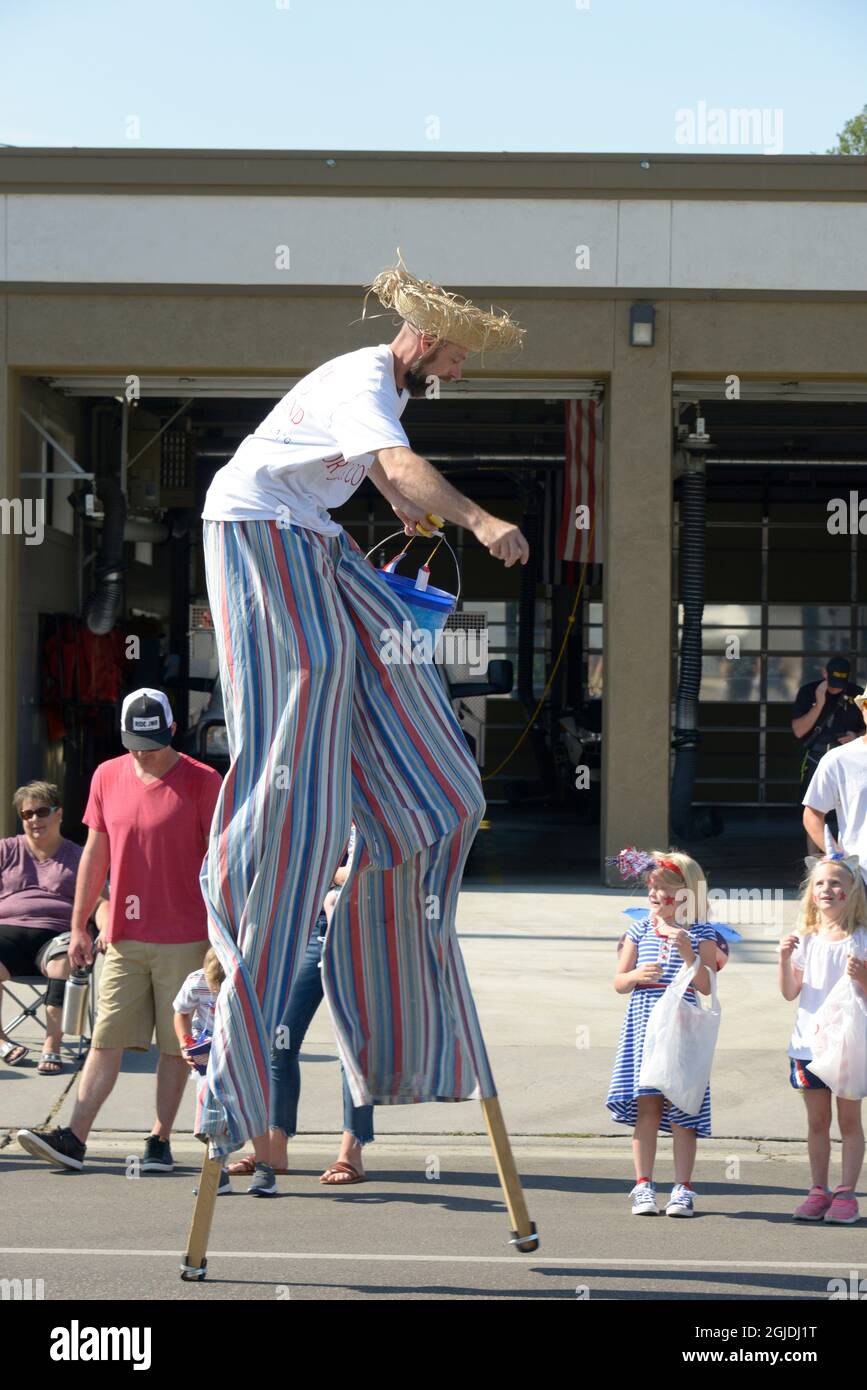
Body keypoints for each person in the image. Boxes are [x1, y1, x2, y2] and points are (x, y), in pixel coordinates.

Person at [196, 257, 529, 1158]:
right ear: (421, 338)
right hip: (258, 530)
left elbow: (375, 468)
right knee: (303, 697)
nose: (458, 372)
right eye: (457, 356)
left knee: (381, 651)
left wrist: (395, 505)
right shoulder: (361, 377)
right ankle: (251, 899)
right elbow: (393, 458)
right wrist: (475, 521)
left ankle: (400, 796)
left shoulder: (388, 390)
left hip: (312, 536)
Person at [17, 689, 221, 1172]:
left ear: (173, 731)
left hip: (188, 937)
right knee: (105, 1038)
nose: (141, 752)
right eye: (133, 742)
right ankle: (74, 1137)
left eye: (151, 743)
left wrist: (222, 934)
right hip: (126, 936)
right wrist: (80, 924)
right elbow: (95, 853)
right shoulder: (107, 776)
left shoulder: (204, 781)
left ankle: (160, 1140)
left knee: (176, 1047)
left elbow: (224, 861)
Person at [230, 825, 375, 1196]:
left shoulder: (377, 798)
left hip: (362, 932)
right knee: (280, 1039)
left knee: (352, 1051)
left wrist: (321, 870)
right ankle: (275, 1149)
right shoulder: (323, 802)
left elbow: (375, 863)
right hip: (313, 931)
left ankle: (352, 1153)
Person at [606, 850, 718, 1217]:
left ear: (687, 895)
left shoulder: (702, 933)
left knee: (683, 1108)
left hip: (682, 1027)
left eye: (665, 891)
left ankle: (683, 1188)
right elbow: (619, 981)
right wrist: (635, 976)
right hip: (644, 1025)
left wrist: (689, 953)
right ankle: (643, 1185)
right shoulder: (638, 929)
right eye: (651, 890)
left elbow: (704, 985)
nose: (655, 897)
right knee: (647, 1107)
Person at [779, 852, 867, 1224]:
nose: (827, 889)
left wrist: (863, 975)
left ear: (853, 892)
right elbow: (789, 992)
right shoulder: (806, 939)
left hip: (847, 1043)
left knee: (849, 1121)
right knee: (817, 1122)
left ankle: (847, 1192)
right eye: (820, 883)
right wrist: (784, 960)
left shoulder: (861, 939)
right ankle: (818, 1189)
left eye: (835, 883)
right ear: (811, 894)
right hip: (808, 1043)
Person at [0, 782, 108, 1073]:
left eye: (42, 811)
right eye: (27, 814)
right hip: (6, 934)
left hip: (56, 935)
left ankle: (52, 1044)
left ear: (59, 813)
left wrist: (107, 928)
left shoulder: (77, 856)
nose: (34, 819)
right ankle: (1, 1041)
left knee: (63, 964)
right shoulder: (6, 850)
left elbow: (101, 902)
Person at [174, 946, 229, 1195]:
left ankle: (264, 1167)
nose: (215, 993)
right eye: (213, 989)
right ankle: (218, 1173)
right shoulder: (196, 981)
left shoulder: (241, 981)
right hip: (206, 1051)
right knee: (208, 1108)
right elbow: (181, 1012)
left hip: (234, 1048)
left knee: (234, 1111)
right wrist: (186, 1043)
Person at [802, 680, 867, 880]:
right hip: (860, 878)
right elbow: (812, 814)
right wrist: (839, 860)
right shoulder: (838, 759)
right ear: (864, 710)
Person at [793, 657, 862, 842]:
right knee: (815, 810)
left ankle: (846, 851)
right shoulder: (809, 692)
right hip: (816, 757)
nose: (836, 688)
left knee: (851, 806)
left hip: (848, 759)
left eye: (840, 683)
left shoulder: (857, 695)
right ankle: (816, 860)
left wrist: (857, 738)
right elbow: (799, 731)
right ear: (825, 674)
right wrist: (820, 703)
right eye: (833, 683)